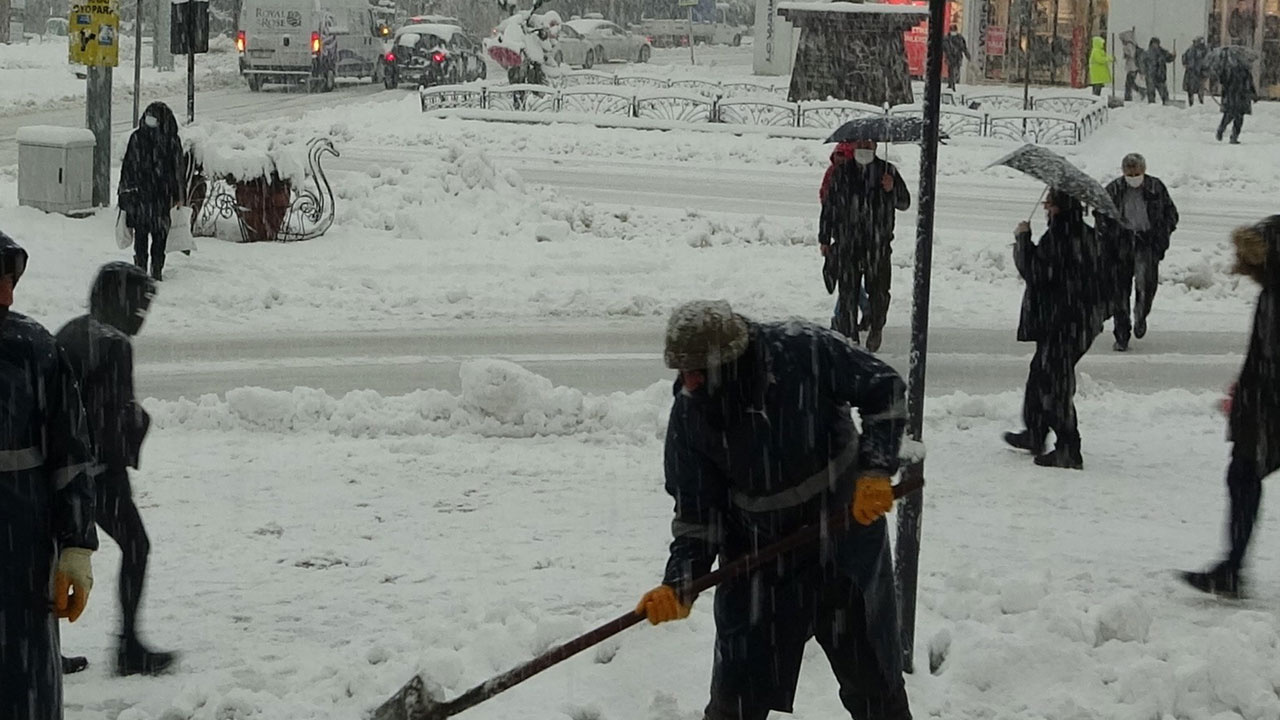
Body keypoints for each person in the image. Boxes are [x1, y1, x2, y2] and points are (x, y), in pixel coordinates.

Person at [637, 299, 911, 720]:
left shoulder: (803, 352)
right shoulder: (691, 416)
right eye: (681, 371)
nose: (688, 383)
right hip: (758, 561)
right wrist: (680, 581)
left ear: (730, 363)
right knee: (735, 703)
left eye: (697, 372)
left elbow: (884, 389)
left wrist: (874, 470)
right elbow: (697, 516)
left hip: (843, 541)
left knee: (874, 687)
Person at [56, 262, 176, 676]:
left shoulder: (73, 330)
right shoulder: (114, 346)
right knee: (137, 546)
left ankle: (39, 645)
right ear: (118, 300)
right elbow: (111, 423)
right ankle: (129, 647)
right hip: (97, 471)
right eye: (139, 304)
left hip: (59, 467)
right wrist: (136, 426)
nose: (143, 315)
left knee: (47, 556)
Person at [0, 230, 98, 720]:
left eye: (10, 278)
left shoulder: (35, 350)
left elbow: (72, 454)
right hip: (23, 547)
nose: (7, 292)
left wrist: (77, 546)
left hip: (24, 552)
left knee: (26, 692)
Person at [1181, 216, 1280, 598]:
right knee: (1242, 477)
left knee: (1242, 477)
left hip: (1268, 410)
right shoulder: (1272, 291)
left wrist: (1252, 396)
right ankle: (1231, 568)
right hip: (1263, 406)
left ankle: (1232, 568)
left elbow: (1272, 360)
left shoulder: (1275, 296)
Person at [1004, 190, 1110, 469]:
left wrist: (1023, 239)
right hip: (1074, 321)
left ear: (1059, 208)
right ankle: (1035, 433)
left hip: (1066, 323)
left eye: (1049, 203)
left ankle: (1068, 449)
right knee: (1041, 375)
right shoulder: (1079, 233)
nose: (1045, 207)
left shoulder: (1063, 237)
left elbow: (1036, 273)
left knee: (1054, 384)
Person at [819, 141, 911, 352]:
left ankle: (876, 326)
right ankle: (851, 341)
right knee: (847, 293)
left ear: (876, 147)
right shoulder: (842, 172)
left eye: (868, 144)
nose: (864, 148)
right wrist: (824, 237)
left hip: (877, 244)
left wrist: (892, 188)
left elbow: (905, 202)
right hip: (847, 243)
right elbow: (829, 206)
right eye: (860, 143)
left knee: (879, 291)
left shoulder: (887, 171)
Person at [1102, 154, 1179, 352]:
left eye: (1136, 173)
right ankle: (1121, 334)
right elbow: (1101, 216)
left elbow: (1171, 214)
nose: (1133, 176)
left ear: (1143, 170)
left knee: (1146, 285)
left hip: (1147, 242)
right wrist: (1111, 235)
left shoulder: (1156, 187)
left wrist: (1160, 237)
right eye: (1129, 173)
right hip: (1121, 245)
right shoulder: (1114, 189)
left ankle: (1141, 314)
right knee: (1119, 292)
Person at [118, 101, 183, 282]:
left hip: (160, 196)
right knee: (142, 235)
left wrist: (178, 195)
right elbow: (128, 168)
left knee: (159, 236)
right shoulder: (138, 138)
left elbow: (177, 169)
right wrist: (125, 192)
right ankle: (141, 269)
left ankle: (155, 269)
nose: (149, 121)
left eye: (153, 117)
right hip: (142, 196)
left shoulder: (170, 140)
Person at [1218, 50, 1257, 143]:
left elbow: (1250, 84)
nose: (1251, 63)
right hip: (1234, 96)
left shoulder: (1247, 72)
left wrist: (1253, 95)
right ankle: (1221, 130)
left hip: (1242, 97)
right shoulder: (1232, 70)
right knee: (1229, 116)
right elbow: (1225, 83)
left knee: (1238, 118)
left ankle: (1234, 137)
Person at [1141, 37, 1174, 104]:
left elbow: (1169, 58)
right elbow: (1142, 64)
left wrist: (1173, 56)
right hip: (1151, 76)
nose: (1156, 45)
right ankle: (1152, 107)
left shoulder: (1162, 52)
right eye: (1155, 43)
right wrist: (1143, 72)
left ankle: (1167, 106)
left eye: (1157, 43)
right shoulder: (1147, 53)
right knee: (1151, 94)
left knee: (1164, 94)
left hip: (1160, 76)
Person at [1183, 36, 1210, 106]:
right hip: (1191, 72)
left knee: (1200, 88)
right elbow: (1185, 58)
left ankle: (1201, 101)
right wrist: (1187, 65)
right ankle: (1191, 102)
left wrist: (1205, 70)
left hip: (1201, 72)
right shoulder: (1190, 50)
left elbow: (1207, 61)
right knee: (1191, 88)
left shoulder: (1205, 50)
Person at [944, 25, 970, 91]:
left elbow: (964, 48)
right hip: (950, 57)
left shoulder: (960, 38)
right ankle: (951, 84)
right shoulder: (947, 38)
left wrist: (968, 56)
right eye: (952, 30)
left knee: (955, 71)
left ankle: (953, 82)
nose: (953, 32)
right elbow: (944, 48)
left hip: (957, 57)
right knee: (951, 71)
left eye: (954, 30)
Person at [1119, 30, 1143, 101]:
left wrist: (1125, 51)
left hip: (1132, 67)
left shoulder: (1129, 45)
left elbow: (1132, 54)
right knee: (1130, 82)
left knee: (1129, 83)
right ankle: (1139, 92)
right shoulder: (1133, 44)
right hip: (1132, 67)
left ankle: (1130, 96)